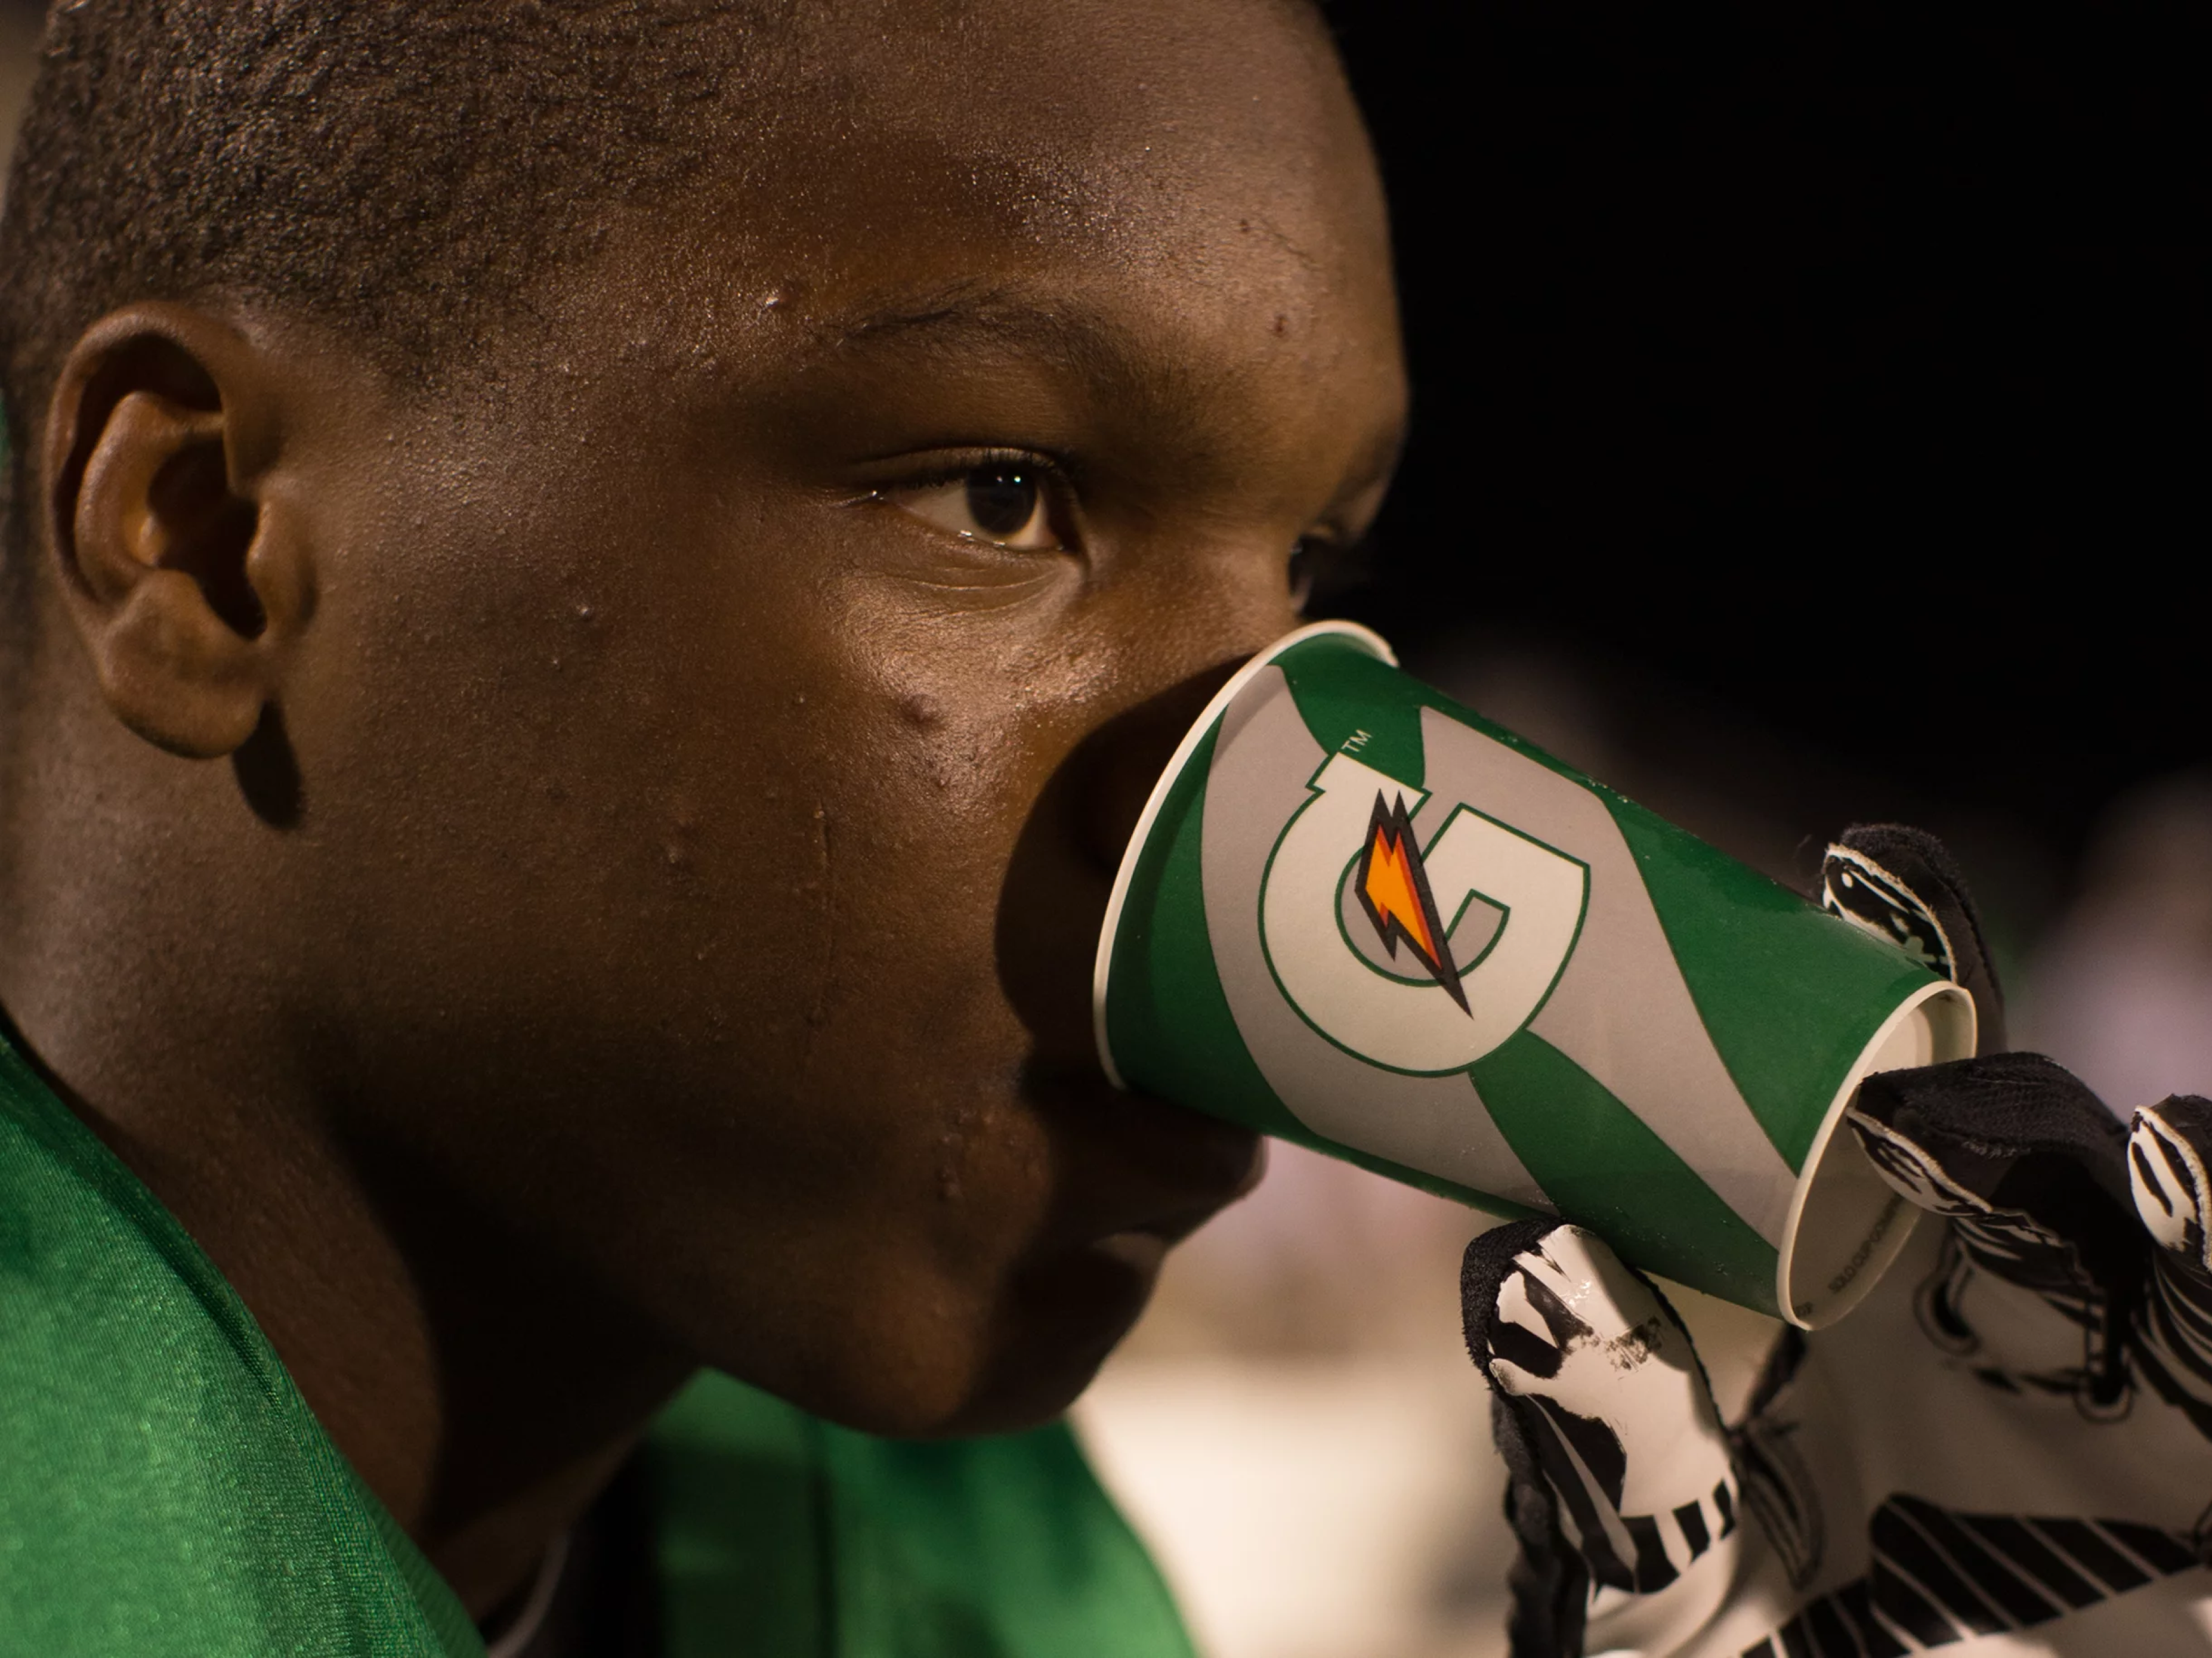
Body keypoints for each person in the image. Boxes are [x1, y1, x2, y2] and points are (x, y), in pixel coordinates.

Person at [0, 1, 1402, 1651]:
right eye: (1000, 495)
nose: (1281, 851)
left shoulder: (965, 1563)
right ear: (207, 542)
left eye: (1311, 563)